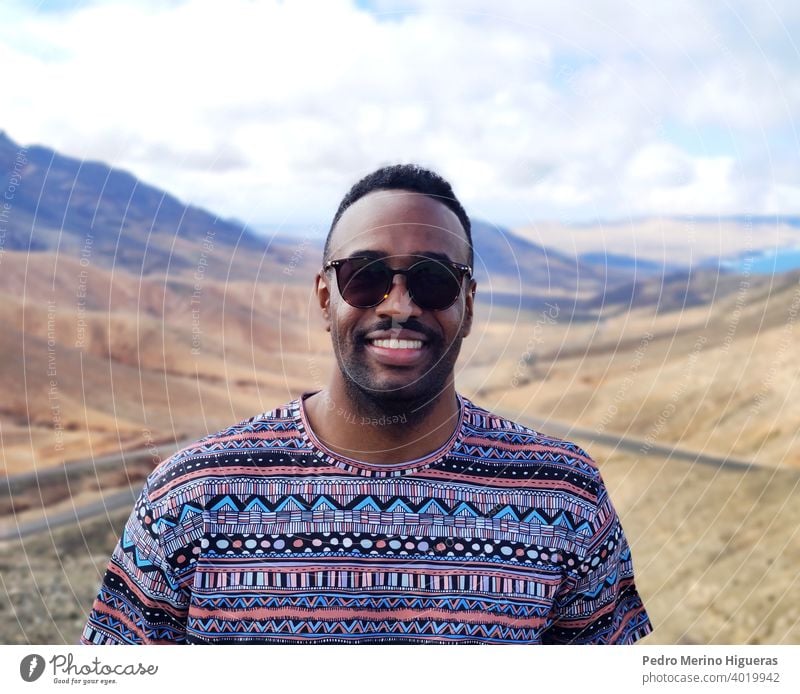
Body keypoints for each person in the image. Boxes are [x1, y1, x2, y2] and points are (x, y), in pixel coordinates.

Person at [82, 164, 652, 644]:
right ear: (325, 297)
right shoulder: (190, 498)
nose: (399, 304)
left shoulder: (565, 496)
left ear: (469, 305)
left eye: (433, 280)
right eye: (366, 275)